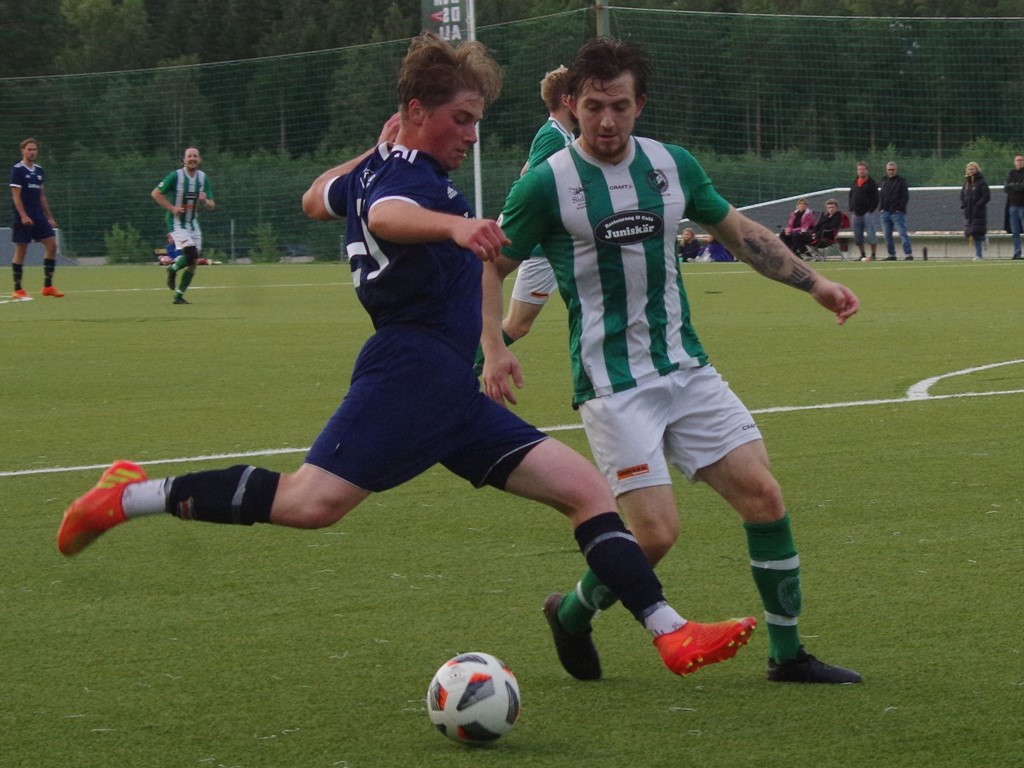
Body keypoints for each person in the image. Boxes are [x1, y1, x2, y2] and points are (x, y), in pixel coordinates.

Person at [58, 32, 754, 681]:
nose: (472, 135)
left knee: (585, 492)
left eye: (477, 119)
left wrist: (373, 154)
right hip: (412, 370)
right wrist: (454, 224)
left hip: (451, 384)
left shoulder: (380, 167)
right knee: (310, 503)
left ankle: (669, 631)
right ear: (418, 113)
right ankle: (125, 497)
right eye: (461, 118)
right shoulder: (410, 182)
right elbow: (390, 215)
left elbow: (312, 199)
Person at [483, 37, 862, 684]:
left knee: (764, 496)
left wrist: (814, 283)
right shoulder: (547, 184)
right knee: (655, 535)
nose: (606, 121)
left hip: (687, 369)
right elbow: (489, 264)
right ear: (572, 105)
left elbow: (739, 232)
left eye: (620, 107)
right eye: (595, 106)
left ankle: (787, 654)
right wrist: (493, 347)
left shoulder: (671, 165)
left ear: (640, 105)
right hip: (612, 384)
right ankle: (572, 614)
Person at [472, 65, 576, 375]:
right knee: (517, 326)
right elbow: (530, 182)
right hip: (538, 248)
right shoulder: (555, 137)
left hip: (548, 245)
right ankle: (464, 367)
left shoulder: (559, 135)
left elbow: (526, 172)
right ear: (567, 99)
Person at [152, 147, 215, 305]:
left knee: (193, 262)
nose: (192, 159)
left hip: (193, 223)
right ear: (184, 160)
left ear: (199, 159)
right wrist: (172, 208)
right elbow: (155, 193)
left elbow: (211, 205)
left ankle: (178, 296)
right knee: (192, 253)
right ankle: (172, 269)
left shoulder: (203, 178)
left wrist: (205, 201)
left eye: (195, 156)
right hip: (176, 222)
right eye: (189, 156)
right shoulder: (176, 176)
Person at [9, 138, 63, 300]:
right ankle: (17, 289)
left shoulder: (39, 170)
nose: (32, 152)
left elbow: (42, 196)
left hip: (38, 215)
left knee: (52, 245)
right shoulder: (17, 170)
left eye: (34, 149)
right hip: (23, 216)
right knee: (21, 251)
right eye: (29, 149)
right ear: (22, 151)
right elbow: (15, 196)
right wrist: (23, 215)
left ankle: (48, 286)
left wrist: (49, 217)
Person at [879, 161, 913, 261]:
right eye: (889, 170)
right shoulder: (884, 181)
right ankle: (891, 255)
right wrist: (881, 208)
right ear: (886, 170)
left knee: (902, 233)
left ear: (896, 170)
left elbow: (905, 197)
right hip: (885, 212)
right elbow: (881, 195)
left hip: (897, 213)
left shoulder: (901, 181)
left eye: (893, 170)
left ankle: (908, 254)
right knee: (887, 235)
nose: (891, 171)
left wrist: (900, 208)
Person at [849, 161, 879, 261]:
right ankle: (862, 254)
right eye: (859, 169)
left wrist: (871, 209)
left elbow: (876, 198)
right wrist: (852, 208)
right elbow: (851, 195)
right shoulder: (855, 182)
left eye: (863, 169)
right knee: (857, 235)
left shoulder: (871, 183)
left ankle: (873, 255)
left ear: (867, 170)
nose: (861, 171)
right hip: (856, 213)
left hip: (868, 212)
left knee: (871, 233)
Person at [961, 161, 991, 260]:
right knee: (968, 233)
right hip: (968, 212)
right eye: (969, 169)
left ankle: (978, 254)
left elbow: (986, 196)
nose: (970, 171)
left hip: (978, 212)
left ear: (977, 170)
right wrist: (963, 204)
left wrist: (978, 205)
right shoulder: (966, 183)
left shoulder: (982, 182)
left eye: (972, 169)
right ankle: (983, 240)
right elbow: (962, 195)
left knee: (976, 232)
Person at [1002, 154, 1024, 260]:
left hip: (1023, 206)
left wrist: (1014, 187)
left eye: (1021, 160)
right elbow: (1007, 188)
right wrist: (1018, 186)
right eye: (1017, 160)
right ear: (1014, 162)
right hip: (1012, 207)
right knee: (1015, 232)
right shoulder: (1011, 173)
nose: (1019, 162)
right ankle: (1017, 253)